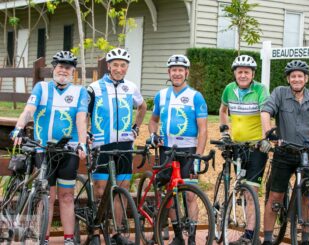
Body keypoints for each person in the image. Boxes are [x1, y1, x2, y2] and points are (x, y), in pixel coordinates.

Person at [10, 51, 88, 245]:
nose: (64, 70)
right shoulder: (41, 88)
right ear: (54, 69)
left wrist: (83, 143)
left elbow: (80, 119)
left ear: (73, 72)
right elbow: (29, 111)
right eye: (60, 66)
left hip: (68, 150)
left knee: (67, 195)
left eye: (68, 67)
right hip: (43, 150)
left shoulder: (80, 92)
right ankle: (41, 237)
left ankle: (69, 239)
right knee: (47, 194)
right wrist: (19, 128)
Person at [261, 60, 309, 245]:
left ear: (306, 79)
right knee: (276, 196)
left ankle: (305, 239)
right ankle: (267, 239)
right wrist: (267, 135)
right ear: (288, 79)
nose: (296, 79)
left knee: (307, 196)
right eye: (293, 76)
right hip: (284, 152)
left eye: (300, 76)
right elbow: (266, 112)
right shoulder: (280, 93)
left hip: (308, 153)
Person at [87, 47, 147, 244]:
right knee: (100, 189)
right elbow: (84, 113)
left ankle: (116, 231)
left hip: (124, 144)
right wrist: (87, 133)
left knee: (122, 187)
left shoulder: (130, 87)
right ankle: (95, 231)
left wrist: (136, 127)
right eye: (115, 65)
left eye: (123, 65)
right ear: (108, 66)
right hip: (101, 144)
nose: (119, 69)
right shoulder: (94, 88)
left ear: (127, 67)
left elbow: (142, 106)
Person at [148, 54, 208, 245]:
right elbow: (153, 120)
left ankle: (191, 236)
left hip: (188, 149)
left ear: (186, 73)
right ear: (169, 72)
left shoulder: (195, 96)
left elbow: (203, 129)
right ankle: (178, 235)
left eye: (180, 70)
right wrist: (152, 134)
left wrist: (197, 157)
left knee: (190, 194)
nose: (177, 73)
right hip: (166, 149)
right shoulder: (161, 95)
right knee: (171, 194)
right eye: (173, 70)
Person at [219, 55, 270, 244]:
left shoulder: (260, 89)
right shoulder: (229, 89)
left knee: (251, 191)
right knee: (241, 187)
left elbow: (265, 113)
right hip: (237, 146)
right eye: (239, 72)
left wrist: (266, 137)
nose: (243, 75)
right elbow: (223, 110)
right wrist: (225, 132)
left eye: (246, 72)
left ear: (252, 74)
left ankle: (250, 234)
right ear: (234, 74)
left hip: (256, 146)